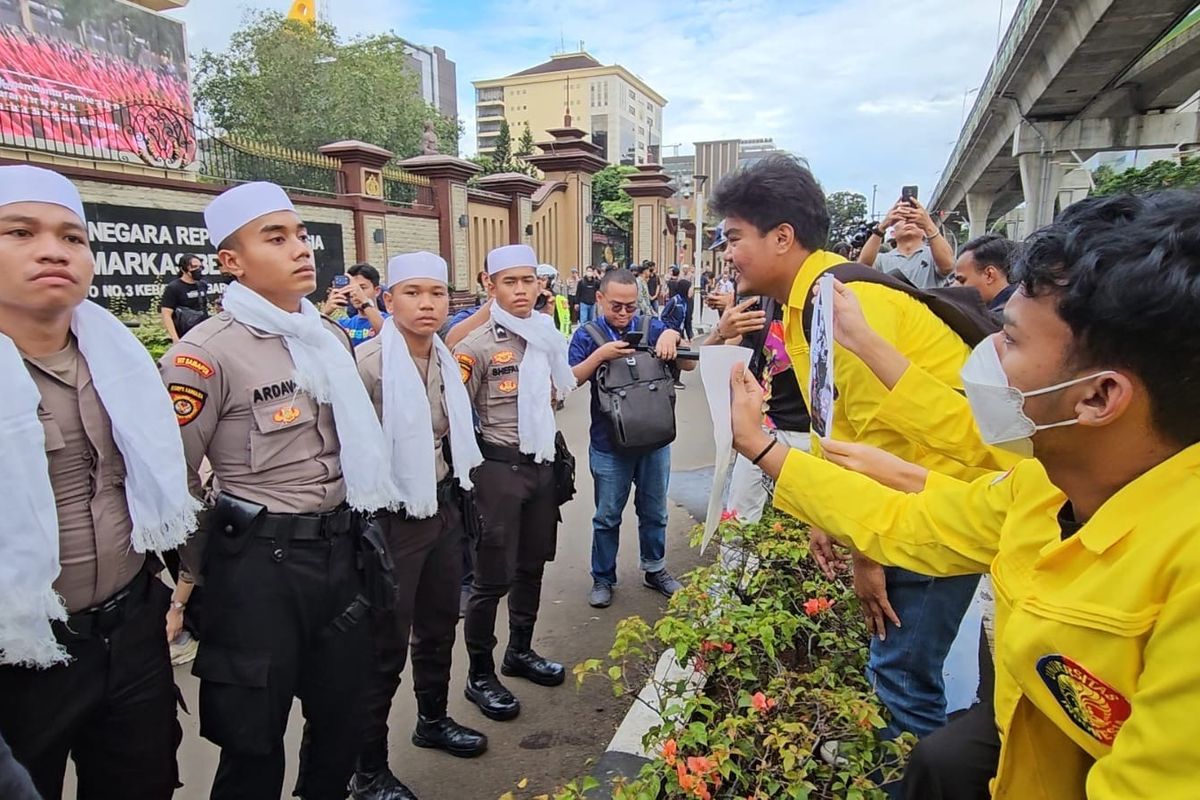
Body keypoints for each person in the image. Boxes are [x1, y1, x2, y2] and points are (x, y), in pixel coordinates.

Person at [728, 190, 1200, 800]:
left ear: (1098, 396)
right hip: (1021, 739)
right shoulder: (1041, 484)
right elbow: (916, 519)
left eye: (1009, 339)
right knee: (945, 761)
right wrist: (769, 452)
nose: (983, 356)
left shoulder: (1181, 572)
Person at [711, 154, 990, 741]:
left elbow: (883, 443)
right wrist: (824, 513)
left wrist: (866, 556)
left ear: (782, 237)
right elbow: (840, 424)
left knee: (903, 680)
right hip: (918, 504)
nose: (726, 253)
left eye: (734, 237)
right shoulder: (811, 298)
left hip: (935, 512)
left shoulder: (844, 306)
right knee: (900, 673)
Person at [159, 182, 402, 800]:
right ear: (230, 261)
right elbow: (176, 481)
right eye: (276, 237)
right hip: (259, 568)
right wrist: (199, 576)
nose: (300, 249)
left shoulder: (327, 335)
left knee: (340, 722)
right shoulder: (203, 355)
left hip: (341, 553)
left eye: (300, 235)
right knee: (253, 743)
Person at [0, 165, 196, 800]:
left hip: (129, 626)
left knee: (144, 782)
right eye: (20, 232)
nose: (54, 249)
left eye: (72, 237)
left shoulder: (119, 363)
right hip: (19, 657)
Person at [352, 252, 488, 800]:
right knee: (384, 644)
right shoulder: (367, 366)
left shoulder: (447, 360)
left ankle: (432, 719)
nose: (428, 303)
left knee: (437, 626)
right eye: (413, 292)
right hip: (389, 519)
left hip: (443, 506)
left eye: (437, 293)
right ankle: (369, 768)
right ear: (388, 301)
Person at [453, 243, 576, 722]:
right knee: (490, 580)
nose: (522, 290)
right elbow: (456, 417)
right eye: (510, 282)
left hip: (542, 465)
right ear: (490, 285)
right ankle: (480, 674)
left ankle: (519, 651)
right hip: (498, 471)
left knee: (532, 565)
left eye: (528, 280)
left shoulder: (546, 335)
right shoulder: (475, 346)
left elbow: (557, 394)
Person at [568, 268, 694, 608]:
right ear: (599, 299)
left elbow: (690, 367)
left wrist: (674, 337)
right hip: (609, 444)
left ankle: (655, 568)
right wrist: (600, 356)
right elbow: (569, 381)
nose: (624, 314)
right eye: (616, 306)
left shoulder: (652, 328)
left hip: (655, 441)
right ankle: (603, 577)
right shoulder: (586, 334)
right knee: (607, 515)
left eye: (630, 306)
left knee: (654, 511)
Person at [859, 196, 955, 289]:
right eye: (902, 218)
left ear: (923, 231)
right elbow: (861, 268)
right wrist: (882, 226)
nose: (908, 221)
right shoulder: (881, 259)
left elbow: (948, 266)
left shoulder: (934, 255)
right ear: (893, 233)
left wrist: (929, 225)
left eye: (913, 218)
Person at [325, 262, 388, 347]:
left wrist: (365, 302)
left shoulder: (390, 320)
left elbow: (386, 335)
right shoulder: (343, 324)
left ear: (377, 291)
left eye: (362, 288)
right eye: (352, 288)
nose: (355, 293)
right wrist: (325, 313)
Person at [953, 233, 1018, 313]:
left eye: (962, 281)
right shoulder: (1025, 307)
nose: (954, 286)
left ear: (989, 275)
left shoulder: (997, 320)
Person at [160, 251, 210, 342]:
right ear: (183, 269)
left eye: (200, 267)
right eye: (194, 267)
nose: (198, 270)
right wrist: (175, 338)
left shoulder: (203, 285)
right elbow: (166, 314)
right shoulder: (174, 287)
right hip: (185, 334)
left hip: (203, 332)